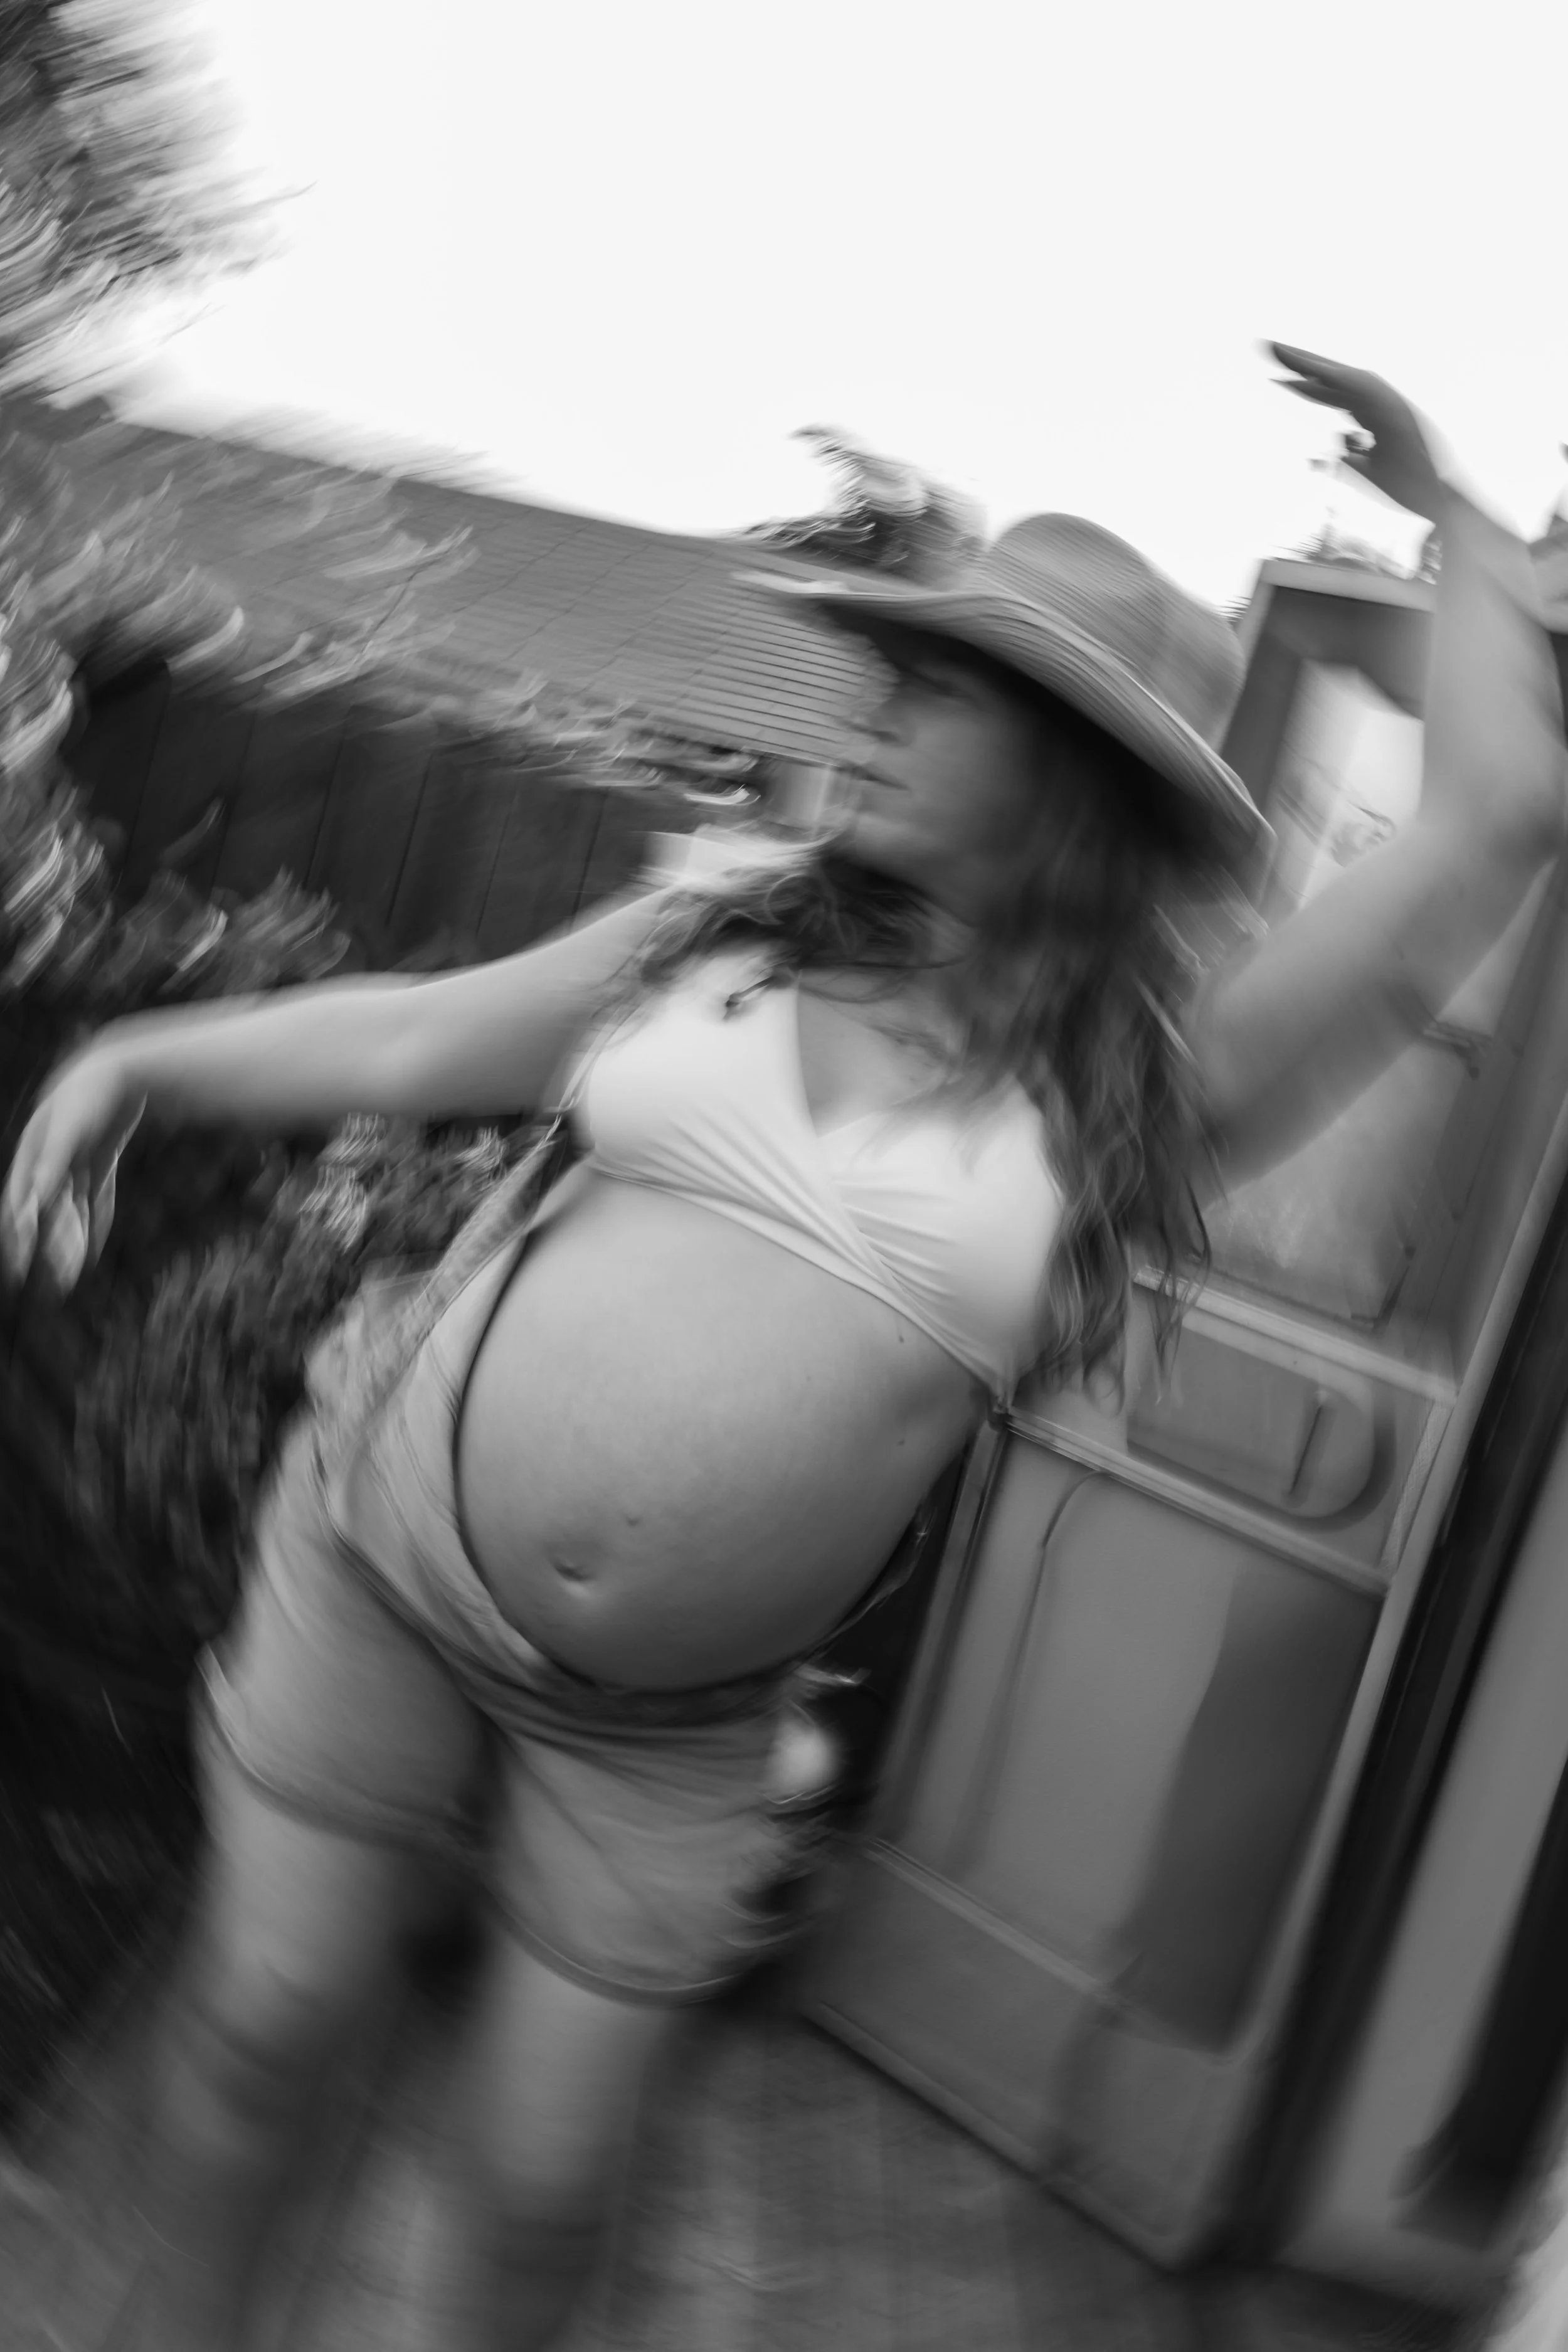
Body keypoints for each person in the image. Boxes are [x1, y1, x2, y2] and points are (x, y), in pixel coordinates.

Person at [3, 347, 1562, 2350]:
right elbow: (416, 1033)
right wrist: (137, 1059)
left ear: (1065, 767)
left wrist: (1446, 504)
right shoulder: (716, 936)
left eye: (940, 694)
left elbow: (1499, 818)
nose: (875, 715)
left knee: (544, 2193)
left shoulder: (1150, 1093)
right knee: (254, 2043)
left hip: (657, 1731)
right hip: (375, 1545)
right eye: (889, 679)